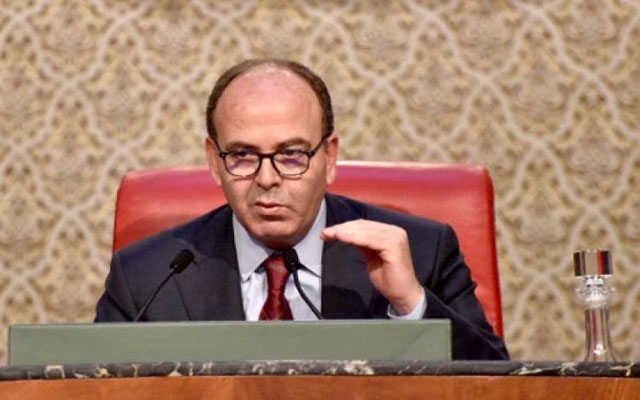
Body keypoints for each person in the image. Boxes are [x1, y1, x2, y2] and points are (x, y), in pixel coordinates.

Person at [95, 58, 509, 360]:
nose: (267, 178)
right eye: (242, 155)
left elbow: (498, 387)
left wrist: (412, 305)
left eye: (291, 155)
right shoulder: (148, 276)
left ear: (329, 158)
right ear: (214, 161)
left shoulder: (421, 253)